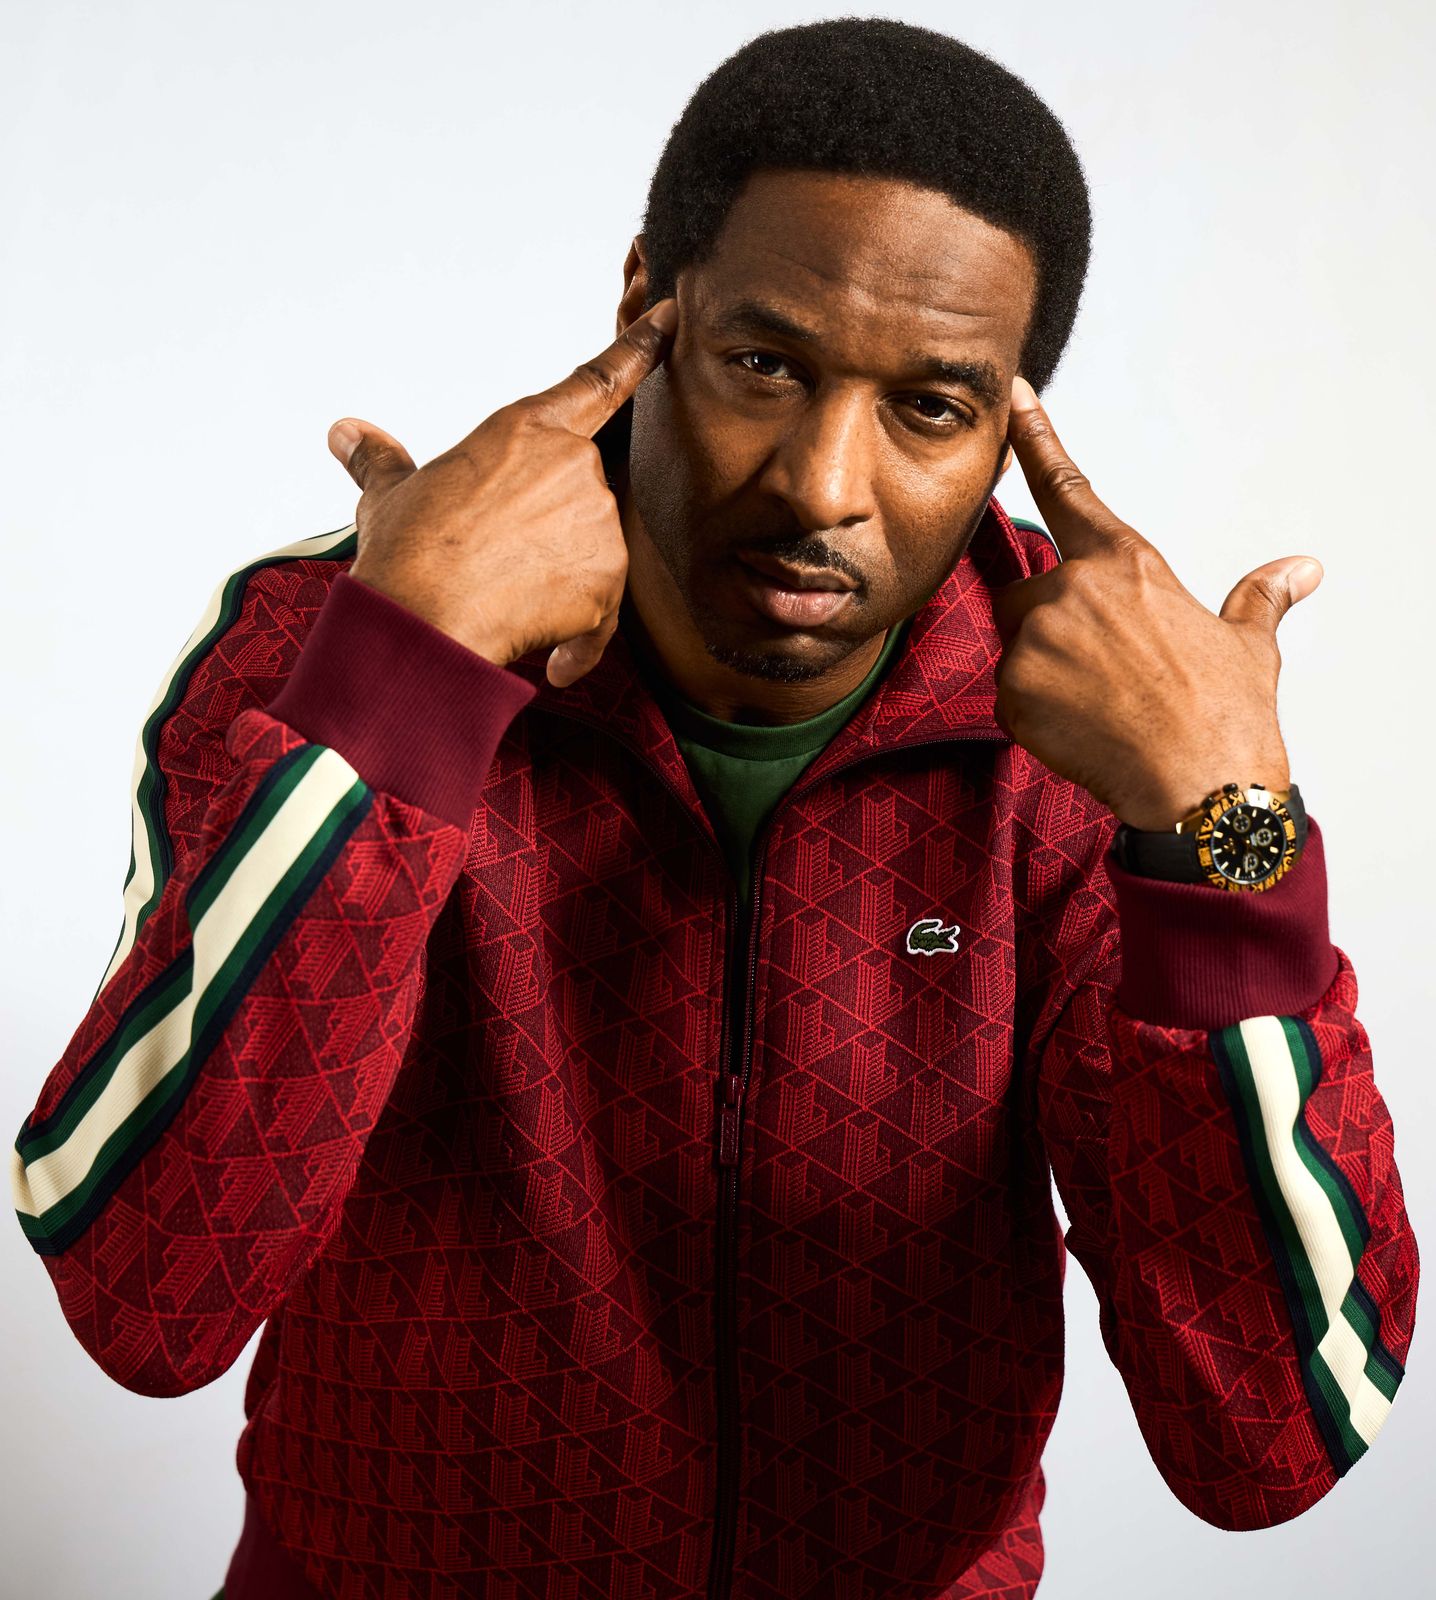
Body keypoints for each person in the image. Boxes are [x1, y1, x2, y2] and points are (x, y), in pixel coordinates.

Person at [11, 17, 1418, 1600]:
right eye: (768, 365)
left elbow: (1272, 1439)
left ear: (1014, 419)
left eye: (929, 407)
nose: (823, 483)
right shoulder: (340, 637)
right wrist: (403, 685)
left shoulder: (1105, 749)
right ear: (647, 306)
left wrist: (1228, 841)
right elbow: (145, 1293)